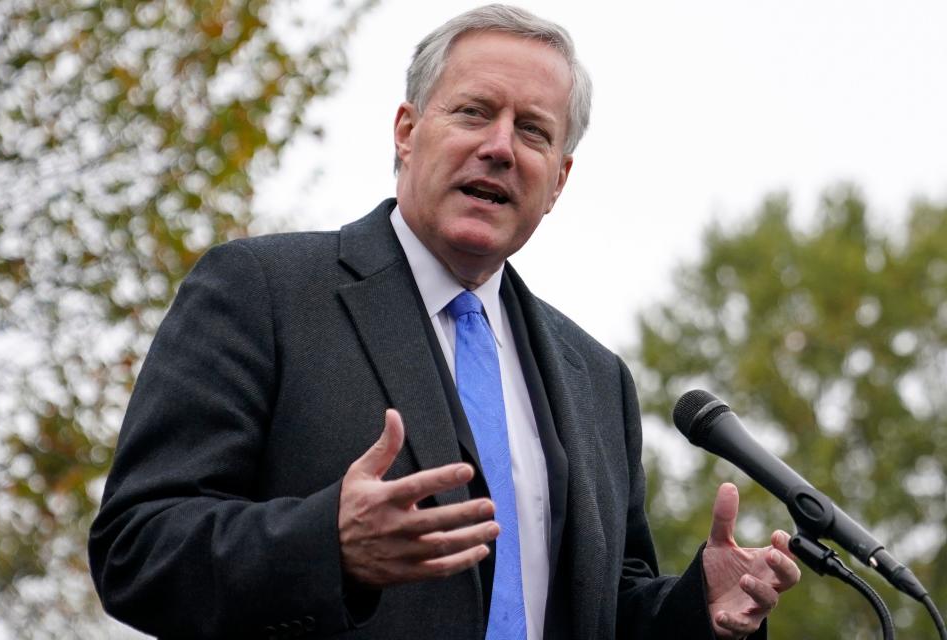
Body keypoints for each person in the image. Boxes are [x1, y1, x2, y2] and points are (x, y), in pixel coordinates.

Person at [89, 5, 800, 639]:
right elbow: (136, 548)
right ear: (407, 131)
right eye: (472, 112)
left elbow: (605, 608)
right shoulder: (263, 292)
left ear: (558, 180)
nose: (500, 146)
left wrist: (697, 610)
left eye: (532, 130)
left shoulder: (598, 381)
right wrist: (327, 547)